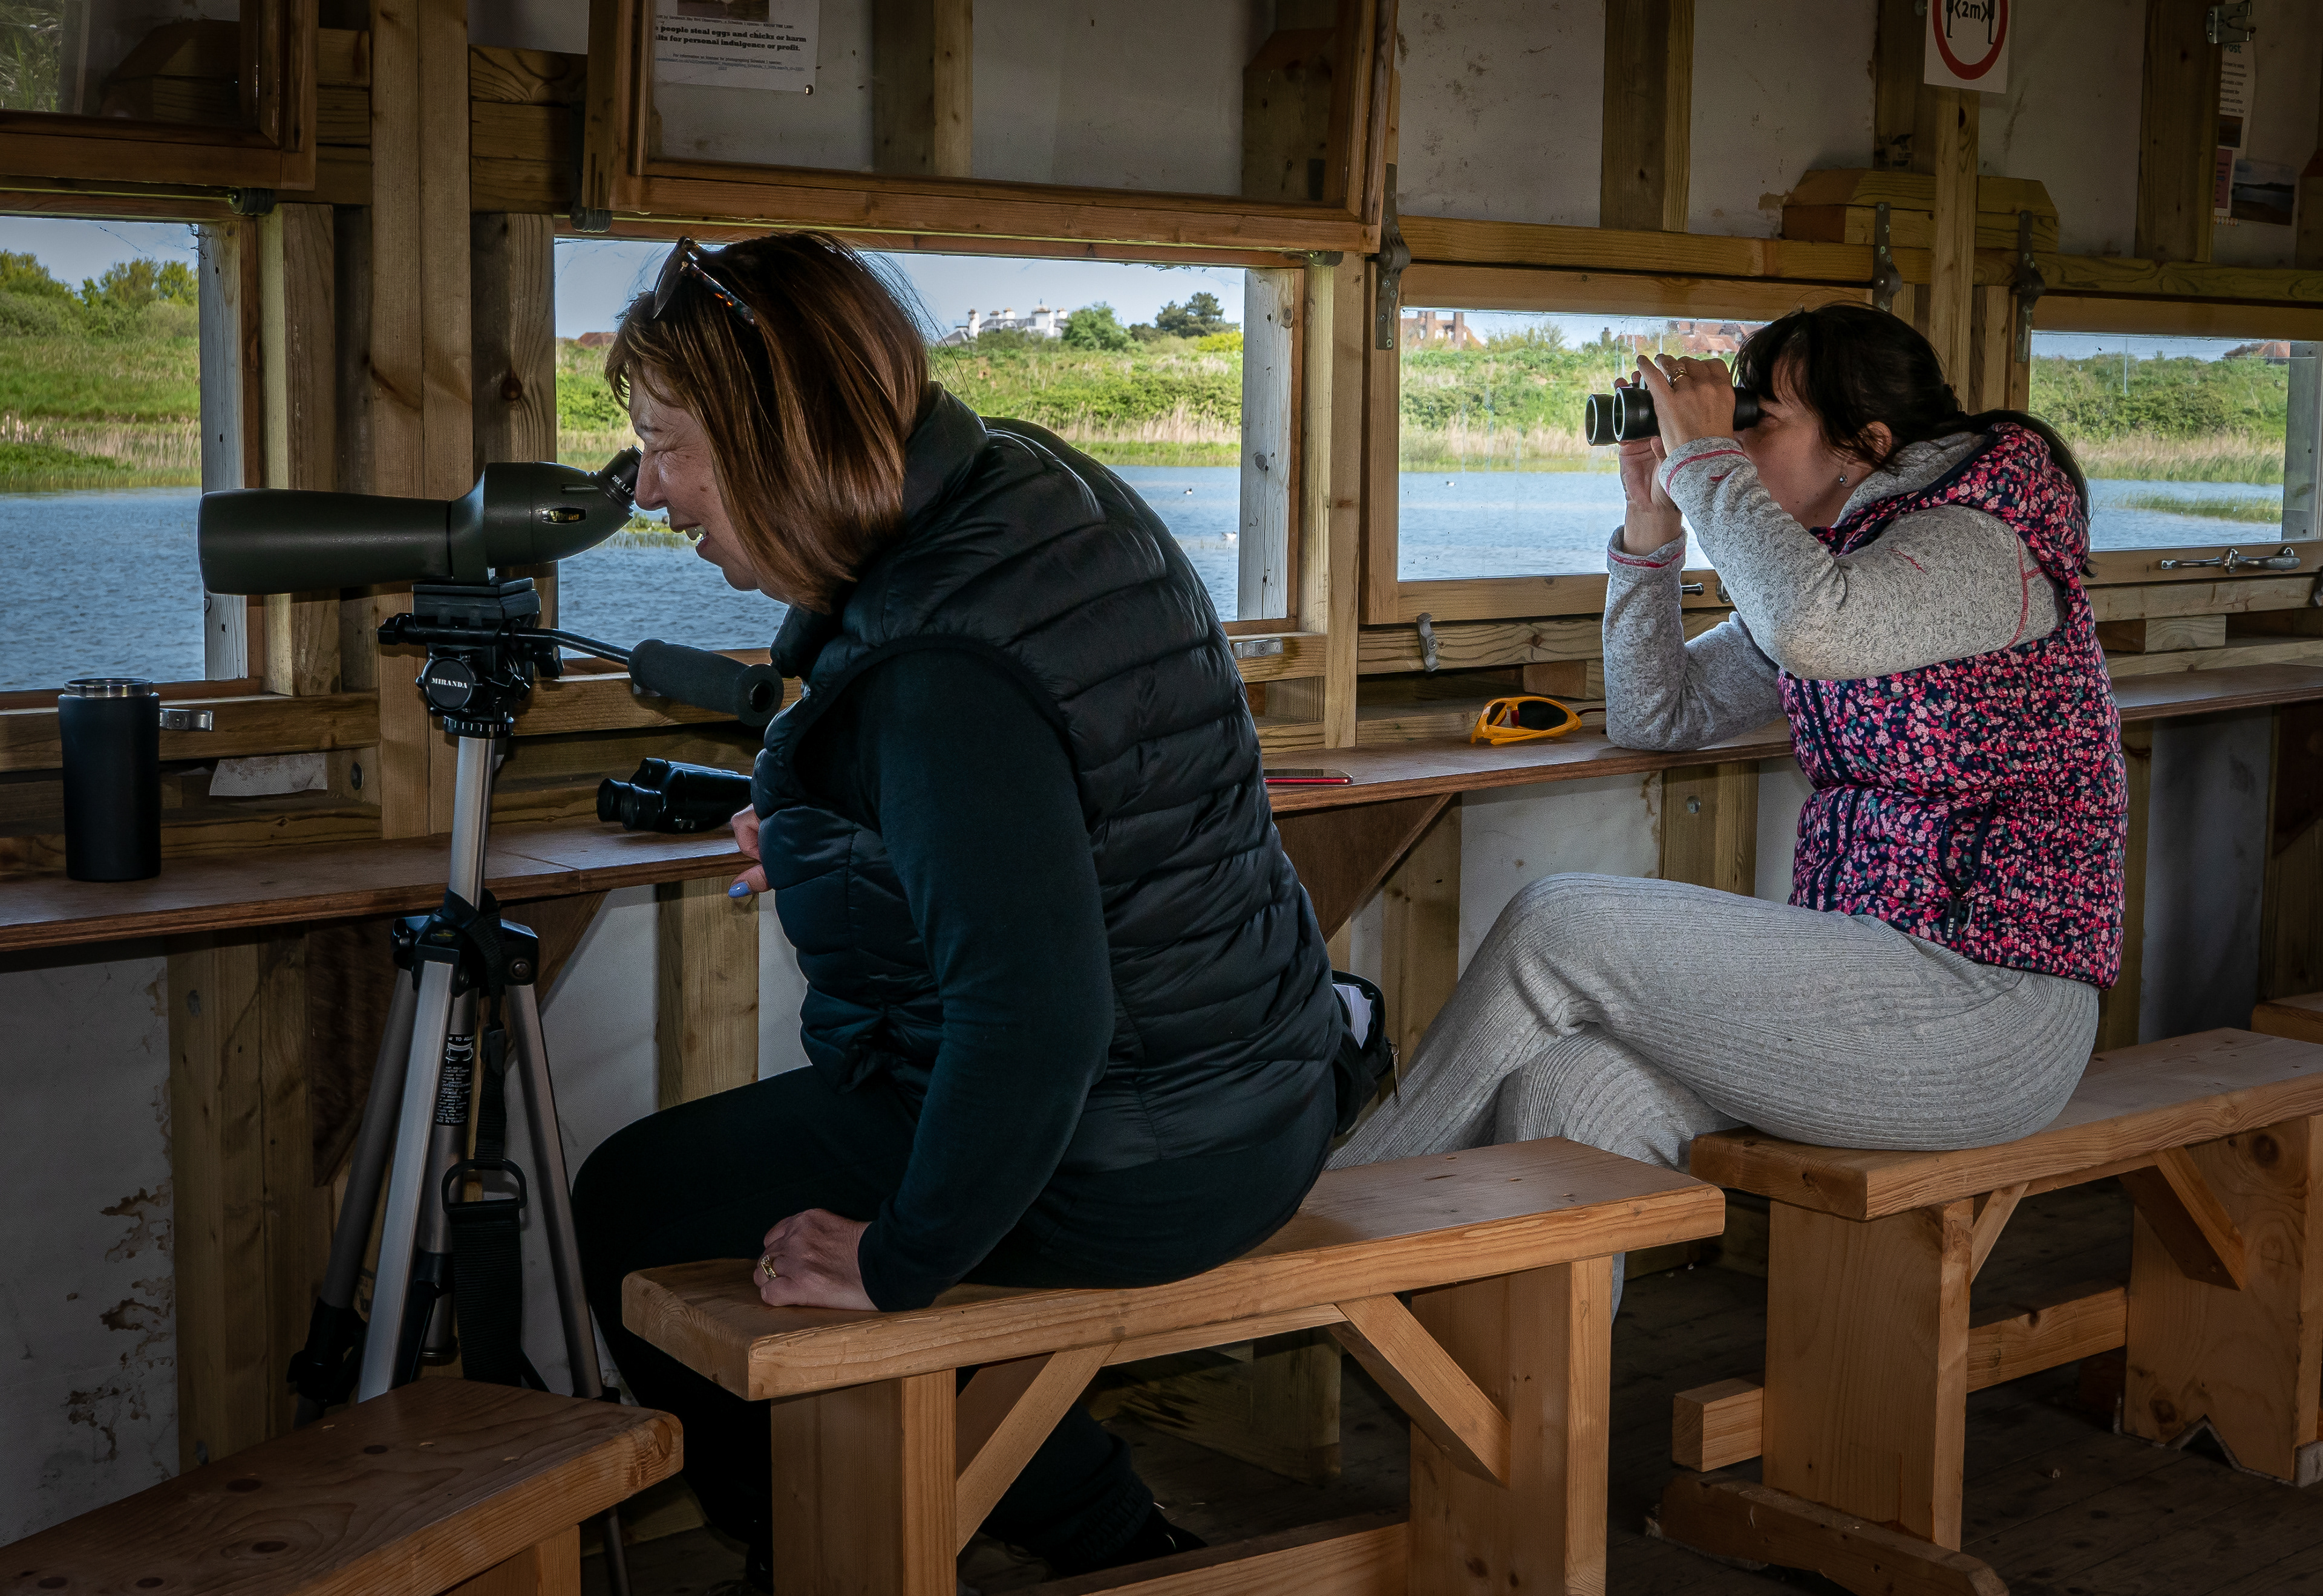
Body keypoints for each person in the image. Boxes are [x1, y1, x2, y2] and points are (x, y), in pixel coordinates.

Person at [571, 233, 1344, 1591]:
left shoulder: (938, 670)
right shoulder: (1028, 490)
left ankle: (818, 1549)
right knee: (772, 1188)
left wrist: (900, 1260)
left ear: (778, 436)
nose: (650, 490)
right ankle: (1088, 1518)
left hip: (1139, 1157)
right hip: (1259, 1090)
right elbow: (1067, 825)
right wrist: (824, 836)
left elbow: (1036, 1022)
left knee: (641, 1206)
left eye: (665, 443)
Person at [1330, 304, 2125, 1274]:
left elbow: (1814, 629)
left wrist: (1708, 464)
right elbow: (1659, 714)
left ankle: (1321, 1225)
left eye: (1761, 418)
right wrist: (1654, 524)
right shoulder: (1840, 567)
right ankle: (1532, 1421)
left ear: (1862, 447)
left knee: (1561, 924)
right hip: (1867, 987)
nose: (1738, 442)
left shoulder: (1979, 549)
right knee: (1564, 1103)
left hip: (1990, 1012)